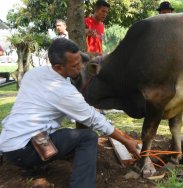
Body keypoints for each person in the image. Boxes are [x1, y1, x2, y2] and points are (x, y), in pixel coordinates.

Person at [0, 38, 140, 188]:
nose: (80, 68)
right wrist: (127, 141)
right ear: (59, 67)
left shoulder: (34, 73)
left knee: (64, 133)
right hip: (25, 150)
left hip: (8, 145)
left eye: (80, 62)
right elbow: (94, 119)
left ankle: (34, 168)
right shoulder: (63, 92)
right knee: (88, 137)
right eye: (74, 65)